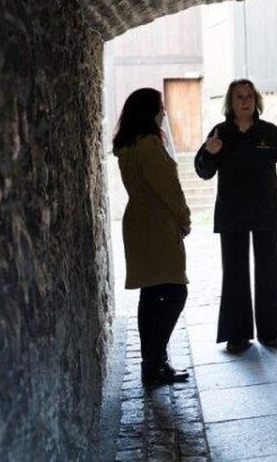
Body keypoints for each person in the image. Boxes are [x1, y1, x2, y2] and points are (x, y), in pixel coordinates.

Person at [195, 79, 277, 352]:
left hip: (265, 210)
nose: (245, 101)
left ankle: (271, 330)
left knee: (268, 270)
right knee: (234, 272)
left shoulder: (268, 132)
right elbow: (203, 171)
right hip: (232, 213)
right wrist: (210, 155)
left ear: (256, 100)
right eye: (239, 97)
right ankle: (237, 333)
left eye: (249, 96)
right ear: (230, 102)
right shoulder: (220, 132)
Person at [113, 88, 192, 384]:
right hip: (156, 223)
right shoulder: (149, 145)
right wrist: (184, 219)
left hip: (138, 222)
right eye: (161, 107)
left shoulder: (128, 145)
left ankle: (153, 364)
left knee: (151, 293)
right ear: (150, 111)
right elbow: (168, 188)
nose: (164, 112)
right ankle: (156, 360)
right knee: (174, 291)